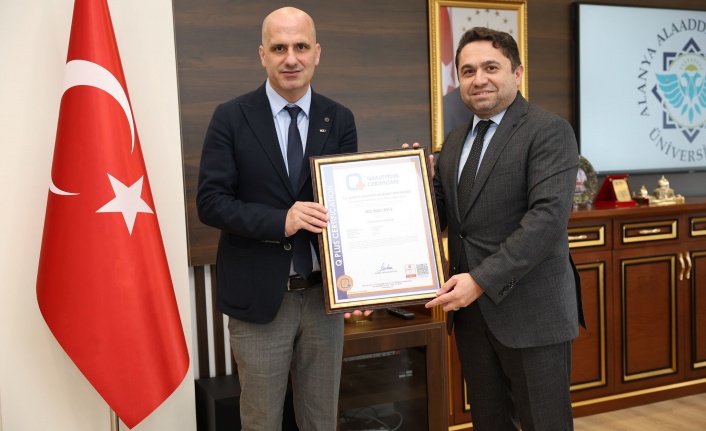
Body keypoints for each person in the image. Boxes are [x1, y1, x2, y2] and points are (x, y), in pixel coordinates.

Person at [196, 7, 361, 430]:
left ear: (317, 53)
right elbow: (211, 202)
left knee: (321, 421)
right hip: (259, 301)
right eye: (279, 48)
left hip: (324, 300)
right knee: (261, 421)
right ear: (262, 55)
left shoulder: (339, 118)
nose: (291, 58)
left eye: (301, 47)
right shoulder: (231, 117)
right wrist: (279, 221)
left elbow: (346, 207)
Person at [424, 27, 585, 430]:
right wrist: (413, 183)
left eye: (490, 67)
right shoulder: (454, 141)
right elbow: (439, 218)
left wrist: (480, 280)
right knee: (489, 422)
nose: (478, 79)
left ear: (517, 72)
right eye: (467, 71)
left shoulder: (548, 131)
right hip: (472, 318)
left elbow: (546, 220)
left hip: (533, 314)